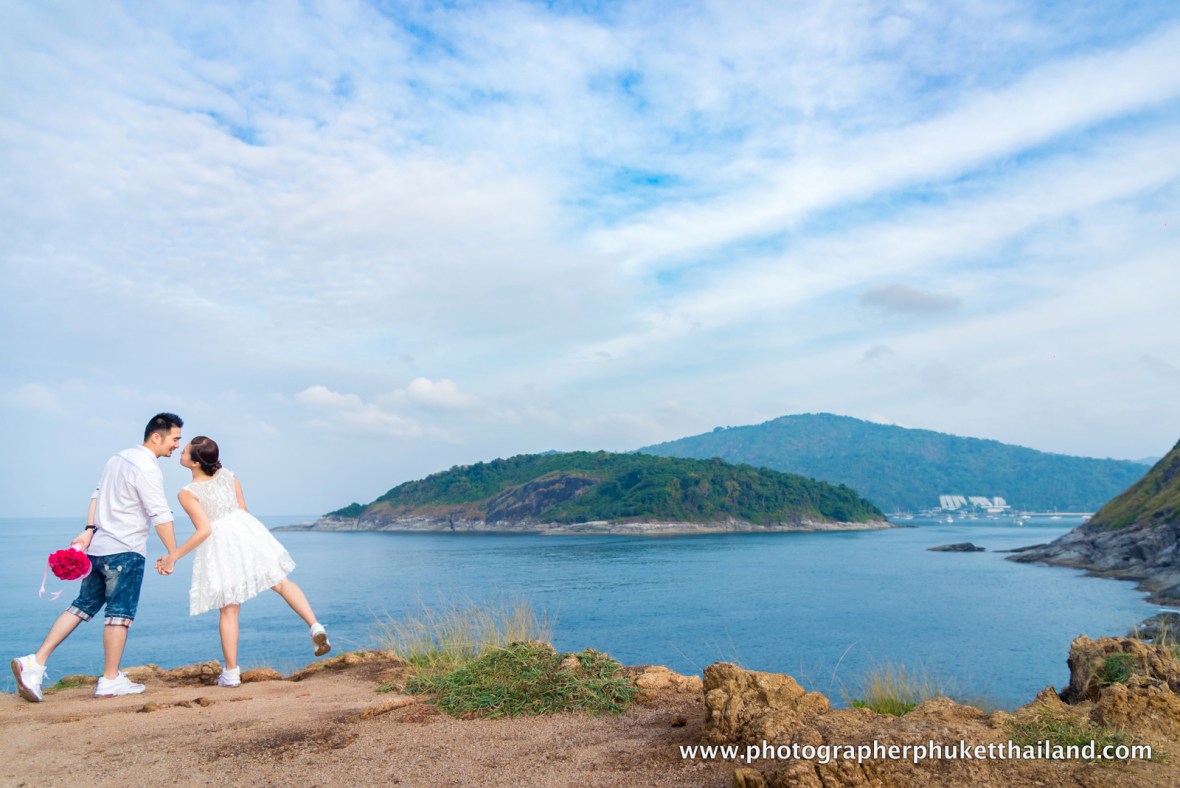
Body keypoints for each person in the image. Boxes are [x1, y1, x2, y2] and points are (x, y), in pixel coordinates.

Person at [11, 413, 184, 702]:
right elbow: (160, 513)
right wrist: (172, 554)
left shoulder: (116, 458)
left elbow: (96, 495)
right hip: (125, 550)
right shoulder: (147, 468)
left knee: (81, 606)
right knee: (120, 615)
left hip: (98, 548)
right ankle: (110, 679)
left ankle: (35, 662)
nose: (177, 445)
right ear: (157, 436)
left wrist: (89, 530)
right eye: (175, 439)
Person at [157, 436, 330, 687]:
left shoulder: (187, 493)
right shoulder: (229, 475)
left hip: (222, 541)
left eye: (184, 452)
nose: (179, 453)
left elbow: (204, 530)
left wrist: (173, 556)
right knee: (281, 582)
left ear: (194, 463)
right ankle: (314, 626)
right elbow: (242, 508)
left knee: (229, 609)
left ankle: (231, 673)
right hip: (245, 530)